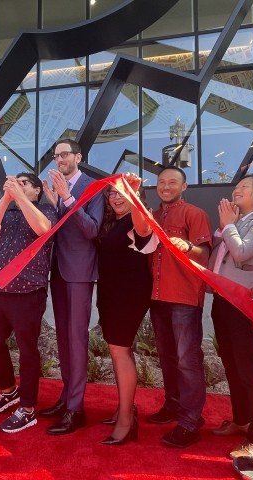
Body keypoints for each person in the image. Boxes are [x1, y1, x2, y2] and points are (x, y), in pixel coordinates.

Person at [141, 166, 212, 448]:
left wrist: (186, 247)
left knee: (187, 360)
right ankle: (173, 405)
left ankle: (191, 422)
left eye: (173, 182)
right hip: (158, 298)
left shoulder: (194, 214)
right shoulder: (153, 217)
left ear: (184, 187)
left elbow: (204, 255)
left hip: (183, 297)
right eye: (161, 182)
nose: (166, 186)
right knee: (168, 357)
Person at [0, 173, 57, 433]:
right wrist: (5, 198)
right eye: (17, 182)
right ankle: (8, 390)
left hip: (28, 291)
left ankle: (27, 408)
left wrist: (21, 196)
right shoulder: (9, 212)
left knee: (27, 349)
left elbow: (43, 230)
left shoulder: (47, 209)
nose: (18, 185)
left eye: (25, 183)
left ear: (37, 190)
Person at [40, 138, 104, 435]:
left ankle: (76, 409)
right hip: (58, 269)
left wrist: (66, 199)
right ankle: (66, 397)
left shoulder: (93, 187)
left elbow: (91, 229)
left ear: (78, 156)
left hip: (79, 272)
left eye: (64, 154)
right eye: (55, 156)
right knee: (64, 339)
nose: (59, 160)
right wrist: (54, 204)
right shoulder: (55, 188)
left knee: (77, 340)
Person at [96, 174, 157, 445]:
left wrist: (133, 194)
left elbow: (145, 232)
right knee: (118, 350)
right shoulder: (112, 222)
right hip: (109, 291)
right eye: (113, 193)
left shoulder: (138, 217)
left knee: (120, 351)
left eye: (122, 193)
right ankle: (126, 408)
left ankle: (126, 419)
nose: (117, 197)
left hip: (129, 293)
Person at [208, 174, 253, 459]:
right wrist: (225, 228)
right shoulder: (233, 224)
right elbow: (218, 257)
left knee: (249, 371)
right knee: (230, 364)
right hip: (222, 300)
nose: (237, 190)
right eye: (237, 186)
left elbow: (241, 253)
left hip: (244, 303)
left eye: (245, 187)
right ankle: (241, 420)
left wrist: (228, 225)